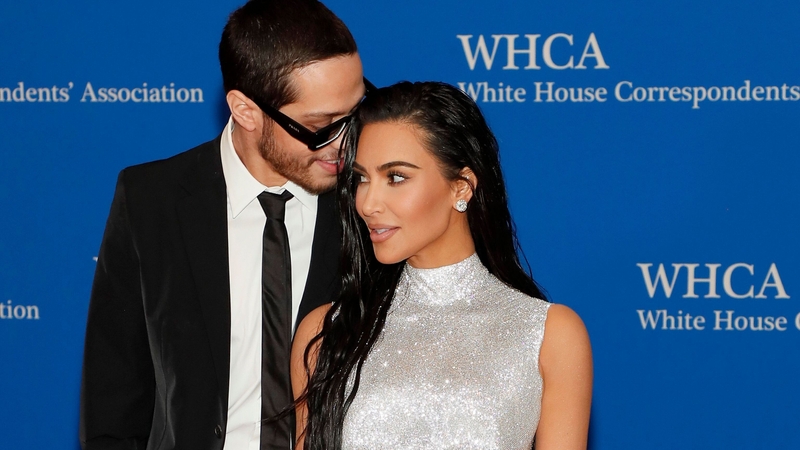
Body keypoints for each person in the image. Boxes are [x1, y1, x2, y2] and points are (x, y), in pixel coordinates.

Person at [79, 1, 366, 449]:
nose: (343, 142)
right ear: (246, 111)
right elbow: (113, 395)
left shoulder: (369, 204)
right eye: (319, 126)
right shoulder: (151, 200)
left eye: (352, 113)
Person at [291, 81, 593, 450]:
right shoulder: (326, 333)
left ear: (461, 187)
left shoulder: (549, 335)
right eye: (361, 178)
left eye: (396, 177)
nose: (368, 203)